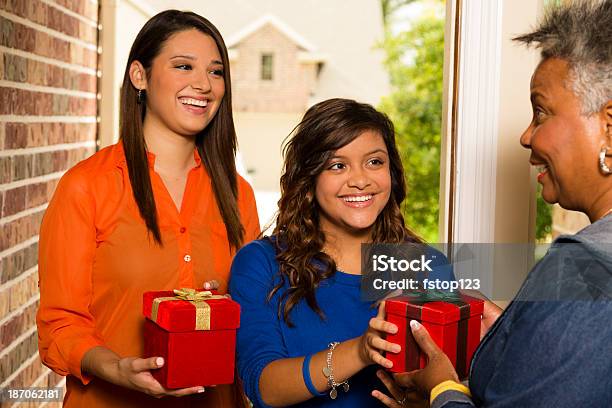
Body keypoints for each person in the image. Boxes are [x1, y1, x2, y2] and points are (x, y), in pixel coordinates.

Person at [373, 1, 612, 407]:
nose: (526, 136)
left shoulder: (583, 270)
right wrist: (516, 337)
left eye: (541, 112)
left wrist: (440, 388)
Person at [36, 10, 259, 408]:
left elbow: (253, 316)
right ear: (139, 76)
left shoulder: (237, 194)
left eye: (215, 71)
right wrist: (116, 367)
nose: (203, 84)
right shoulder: (87, 186)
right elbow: (59, 326)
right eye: (183, 66)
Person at [229, 98, 455, 407]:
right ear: (308, 181)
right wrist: (361, 351)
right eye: (338, 165)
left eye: (375, 162)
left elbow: (447, 384)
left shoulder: (429, 266)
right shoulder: (260, 264)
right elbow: (263, 387)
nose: (360, 180)